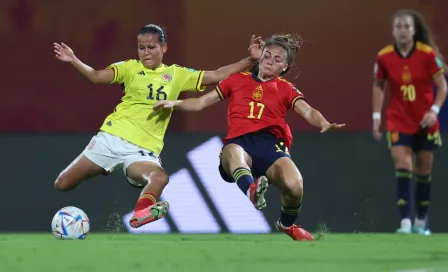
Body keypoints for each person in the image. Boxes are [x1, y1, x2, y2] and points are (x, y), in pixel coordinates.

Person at [52, 24, 263, 229]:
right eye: (141, 47)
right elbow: (96, 77)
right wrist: (73, 60)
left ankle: (141, 213)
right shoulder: (129, 68)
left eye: (151, 47)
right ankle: (105, 166)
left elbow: (216, 75)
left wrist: (251, 59)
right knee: (62, 184)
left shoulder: (176, 74)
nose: (145, 52)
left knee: (160, 177)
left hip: (142, 151)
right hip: (111, 138)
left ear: (164, 47)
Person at [154, 33, 345, 241]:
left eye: (277, 59)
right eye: (267, 55)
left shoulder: (286, 89)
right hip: (239, 142)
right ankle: (252, 191)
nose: (270, 61)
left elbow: (308, 111)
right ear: (260, 57)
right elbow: (201, 102)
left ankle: (286, 225)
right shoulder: (236, 80)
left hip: (270, 145)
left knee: (295, 185)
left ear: (285, 67)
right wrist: (175, 104)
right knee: (232, 151)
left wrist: (324, 122)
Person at [372, 10, 447, 235]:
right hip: (398, 119)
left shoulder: (427, 54)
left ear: (414, 30)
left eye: (407, 26)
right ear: (393, 31)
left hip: (425, 120)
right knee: (403, 166)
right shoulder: (384, 57)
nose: (403, 31)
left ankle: (421, 222)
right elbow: (378, 85)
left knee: (423, 171)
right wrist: (377, 116)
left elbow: (443, 87)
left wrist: (434, 110)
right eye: (398, 27)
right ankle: (405, 222)